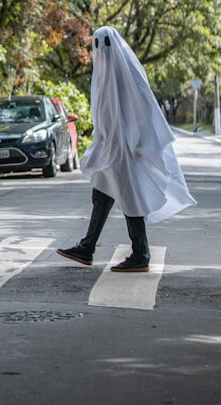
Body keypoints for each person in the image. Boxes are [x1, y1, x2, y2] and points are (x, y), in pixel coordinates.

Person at [57, 26, 197, 272]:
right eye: (97, 43)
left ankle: (140, 253)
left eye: (105, 43)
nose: (102, 49)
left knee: (129, 198)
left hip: (125, 149)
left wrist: (137, 142)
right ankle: (87, 248)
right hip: (110, 146)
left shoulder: (128, 74)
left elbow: (143, 109)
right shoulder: (104, 76)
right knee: (101, 193)